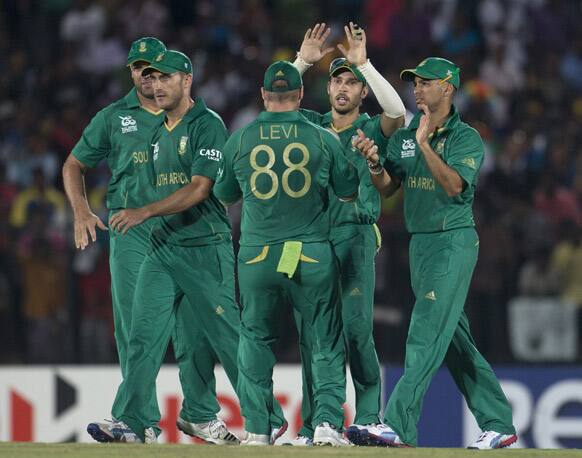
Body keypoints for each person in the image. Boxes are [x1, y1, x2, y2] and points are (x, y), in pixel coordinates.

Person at [62, 38, 241, 444]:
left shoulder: (191, 117)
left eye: (154, 69)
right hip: (132, 232)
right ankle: (138, 421)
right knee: (134, 329)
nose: (147, 76)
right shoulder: (113, 117)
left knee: (192, 330)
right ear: (130, 73)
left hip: (185, 228)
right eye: (140, 68)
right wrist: (81, 211)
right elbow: (74, 164)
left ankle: (199, 414)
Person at [103, 50, 286, 444]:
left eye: (166, 78)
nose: (156, 86)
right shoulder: (155, 132)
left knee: (228, 336)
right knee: (143, 334)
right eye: (151, 79)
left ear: (187, 80)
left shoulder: (208, 125)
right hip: (163, 248)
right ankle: (132, 422)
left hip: (205, 247)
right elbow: (158, 186)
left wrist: (144, 211)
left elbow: (200, 189)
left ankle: (267, 416)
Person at [353, 57, 518, 449]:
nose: (417, 88)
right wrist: (375, 163)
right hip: (420, 244)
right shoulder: (406, 135)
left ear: (447, 87)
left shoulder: (466, 139)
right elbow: (389, 187)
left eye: (425, 82)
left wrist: (426, 143)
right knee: (455, 340)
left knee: (425, 331)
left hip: (453, 241)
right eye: (415, 82)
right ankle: (498, 423)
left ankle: (398, 424)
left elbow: (455, 186)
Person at [214, 61, 359, 446]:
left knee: (255, 340)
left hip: (257, 257)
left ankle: (259, 428)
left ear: (263, 95)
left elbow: (225, 196)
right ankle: (327, 424)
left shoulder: (240, 139)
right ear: (300, 96)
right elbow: (348, 191)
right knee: (324, 339)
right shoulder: (323, 138)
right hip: (310, 255)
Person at [284, 23, 405, 445]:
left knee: (354, 330)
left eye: (351, 83)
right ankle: (314, 424)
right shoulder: (310, 125)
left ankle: (369, 414)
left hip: (353, 236)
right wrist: (301, 62)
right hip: (308, 239)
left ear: (362, 93)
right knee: (311, 335)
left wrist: (364, 64)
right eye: (337, 79)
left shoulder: (373, 128)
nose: (343, 86)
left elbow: (398, 114)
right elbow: (276, 99)